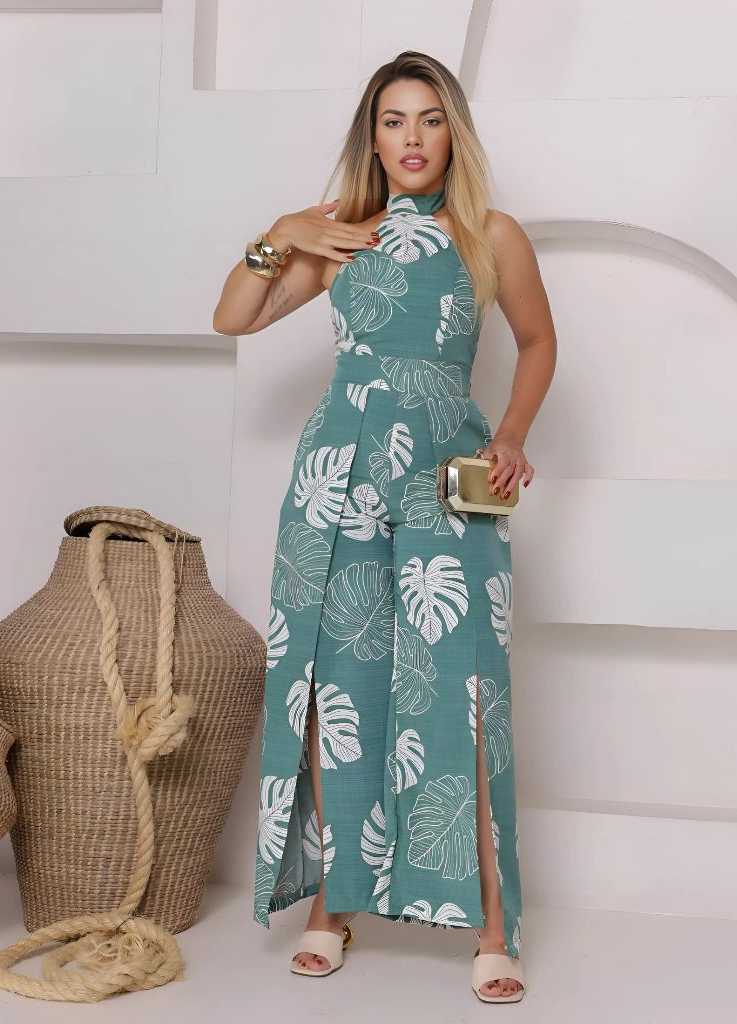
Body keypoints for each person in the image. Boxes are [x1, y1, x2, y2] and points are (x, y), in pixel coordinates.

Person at [213, 50, 556, 1004]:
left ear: (454, 132)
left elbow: (538, 341)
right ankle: (334, 907)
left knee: (461, 687)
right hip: (338, 475)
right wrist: (278, 235)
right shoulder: (341, 237)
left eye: (430, 119)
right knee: (340, 683)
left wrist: (513, 435)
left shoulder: (490, 233)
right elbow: (233, 317)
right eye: (395, 120)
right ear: (372, 136)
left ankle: (493, 927)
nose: (413, 138)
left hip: (447, 472)